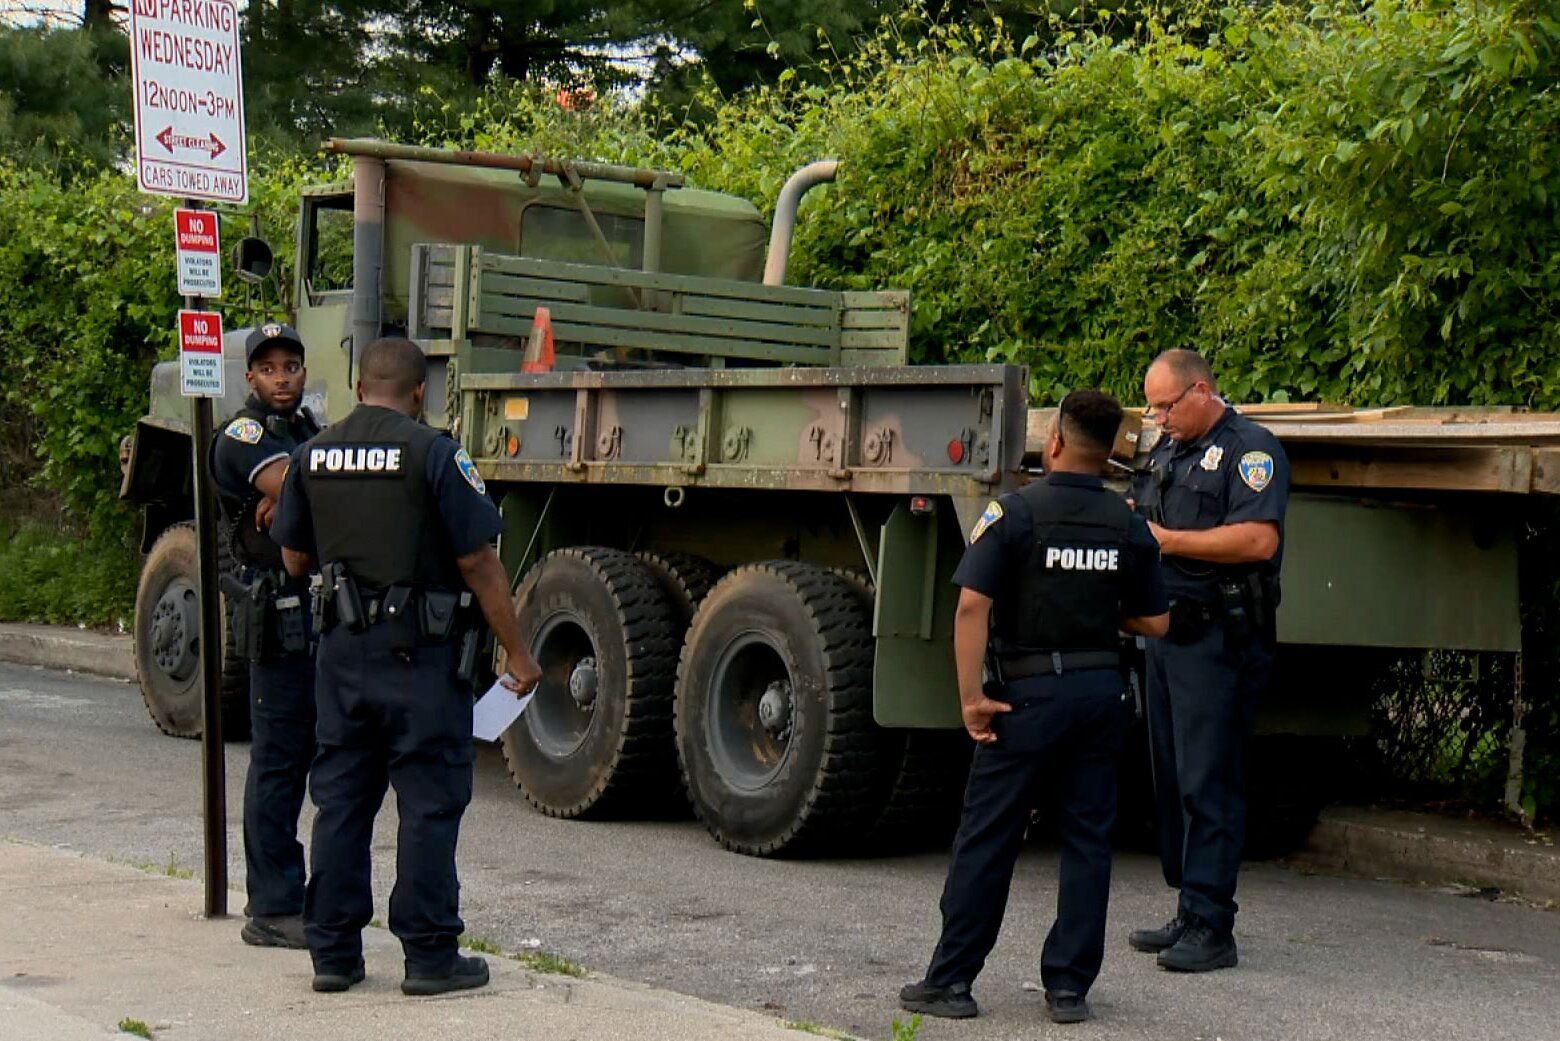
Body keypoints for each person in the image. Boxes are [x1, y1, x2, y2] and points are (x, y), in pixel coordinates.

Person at [271, 337, 542, 996]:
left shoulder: (312, 455)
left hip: (342, 658)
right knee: (427, 803)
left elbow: (295, 560)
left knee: (340, 800)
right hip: (421, 660)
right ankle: (428, 956)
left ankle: (332, 952)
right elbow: (479, 563)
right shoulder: (435, 453)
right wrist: (520, 650)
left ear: (360, 387)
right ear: (420, 392)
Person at [899, 389, 1169, 1025]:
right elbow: (1156, 621)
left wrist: (972, 699)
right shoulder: (1127, 523)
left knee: (988, 839)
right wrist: (1098, 611)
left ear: (1054, 444)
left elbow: (971, 606)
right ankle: (1069, 989)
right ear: (1109, 456)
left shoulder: (1015, 513)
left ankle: (952, 982)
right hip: (1101, 695)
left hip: (1025, 699)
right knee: (1087, 843)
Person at [1127, 348, 1289, 973]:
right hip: (1167, 634)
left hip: (1219, 637)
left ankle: (1213, 925)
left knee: (1209, 779)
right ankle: (1189, 908)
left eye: (1166, 405)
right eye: (1153, 406)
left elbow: (1257, 539)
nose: (1157, 417)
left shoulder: (1252, 450)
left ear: (1201, 391)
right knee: (1170, 778)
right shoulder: (1170, 449)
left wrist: (1169, 540)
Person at [209, 322, 321, 949]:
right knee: (278, 760)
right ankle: (273, 908)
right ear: (250, 377)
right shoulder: (241, 435)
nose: (283, 378)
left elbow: (309, 487)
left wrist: (300, 489)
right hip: (274, 610)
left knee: (319, 756)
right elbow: (311, 486)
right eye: (270, 368)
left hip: (315, 608)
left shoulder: (304, 431)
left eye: (292, 366)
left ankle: (305, 895)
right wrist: (305, 487)